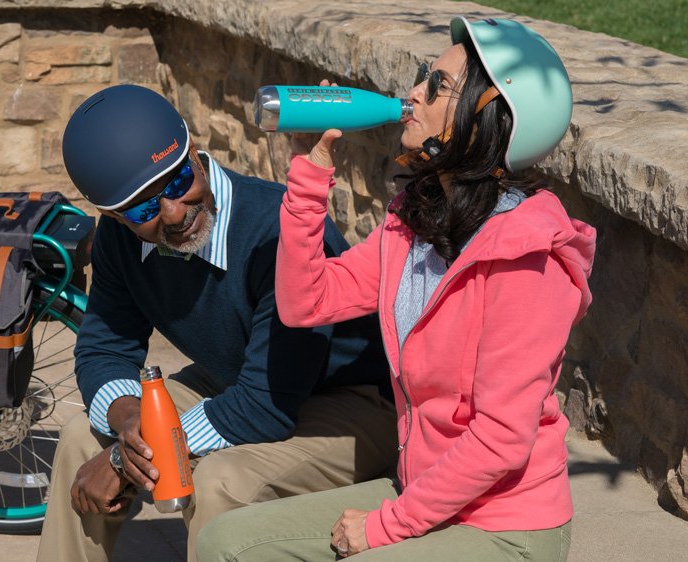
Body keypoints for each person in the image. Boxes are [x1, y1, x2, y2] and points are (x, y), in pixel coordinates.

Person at [197, 16, 595, 561]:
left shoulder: (528, 259)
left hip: (503, 524)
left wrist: (388, 525)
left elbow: (501, 436)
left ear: (492, 121)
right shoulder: (417, 228)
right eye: (423, 75)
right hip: (423, 493)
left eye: (437, 85)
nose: (414, 93)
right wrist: (310, 181)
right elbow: (304, 302)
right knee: (226, 541)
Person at [36, 84, 398, 562]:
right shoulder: (118, 241)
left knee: (219, 482)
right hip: (237, 377)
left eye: (177, 179)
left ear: (193, 151)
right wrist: (129, 423)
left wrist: (128, 458)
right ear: (114, 217)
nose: (174, 211)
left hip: (351, 402)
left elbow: (265, 407)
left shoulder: (276, 230)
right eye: (143, 209)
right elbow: (104, 350)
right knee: (84, 438)